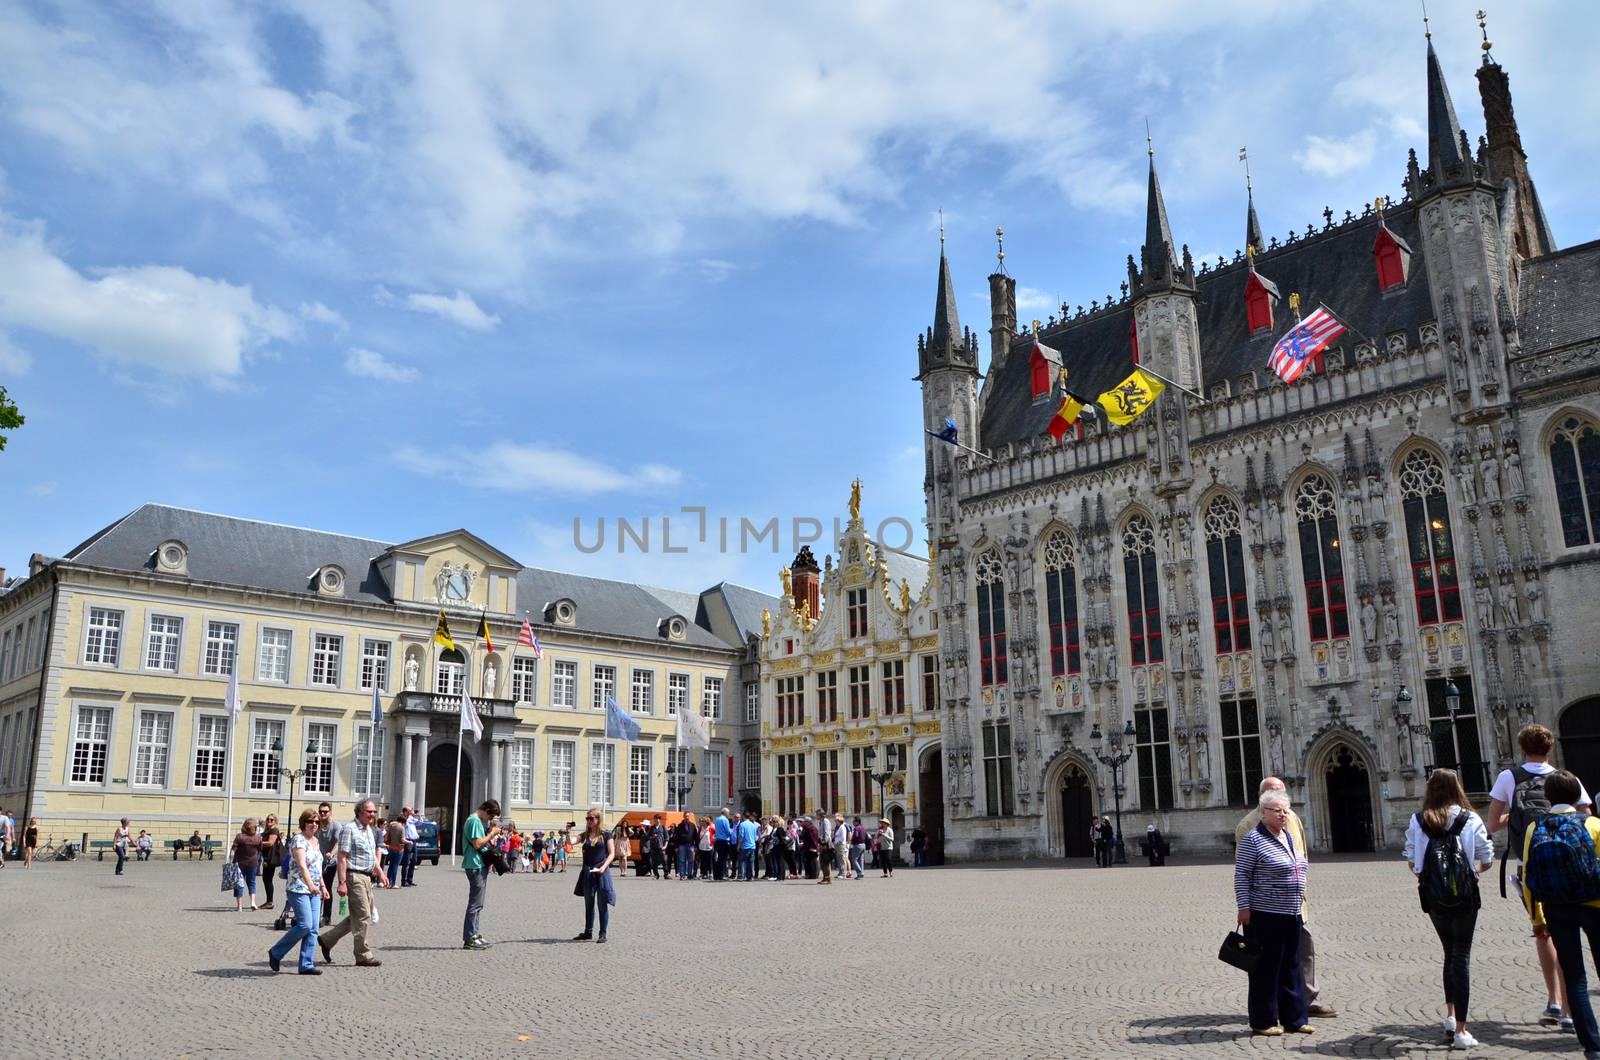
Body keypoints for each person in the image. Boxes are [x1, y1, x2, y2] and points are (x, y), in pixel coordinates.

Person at [1487, 723, 1592, 1029]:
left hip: (1532, 865)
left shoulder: (1510, 777)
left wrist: (1516, 816)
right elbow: (1586, 815)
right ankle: (1575, 1008)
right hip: (1573, 866)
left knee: (1544, 932)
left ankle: (1555, 1001)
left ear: (1522, 747)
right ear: (1550, 748)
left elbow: (1493, 824)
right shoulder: (1565, 778)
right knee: (1575, 932)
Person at [1404, 768, 1492, 1051]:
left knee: (1448, 952)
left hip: (1434, 897)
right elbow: (1487, 858)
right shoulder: (1471, 818)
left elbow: (1413, 863)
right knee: (1461, 955)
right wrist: (1473, 871)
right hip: (1465, 896)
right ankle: (1462, 1032)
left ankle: (1451, 1017)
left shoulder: (1418, 820)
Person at [1235, 777, 1336, 1019]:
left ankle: (1305, 1000)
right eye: (1274, 798)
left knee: (1302, 951)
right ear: (1262, 801)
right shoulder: (1247, 827)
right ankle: (1272, 1009)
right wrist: (1245, 906)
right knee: (1269, 960)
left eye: (1283, 798)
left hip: (1295, 904)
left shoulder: (1293, 820)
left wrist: (1300, 886)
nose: (1282, 808)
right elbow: (1243, 871)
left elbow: (1301, 854)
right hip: (1266, 908)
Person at [1520, 769, 1600, 1059]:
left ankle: (1592, 1046)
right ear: (1578, 795)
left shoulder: (1535, 827)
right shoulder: (1593, 824)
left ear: (1547, 797)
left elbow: (1529, 876)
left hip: (1557, 908)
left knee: (1575, 977)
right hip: (1594, 905)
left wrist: (1537, 919)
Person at [1234, 788, 1310, 1037]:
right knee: (1266, 969)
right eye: (1277, 811)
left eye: (1285, 811)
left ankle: (1295, 1020)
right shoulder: (1253, 840)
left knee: (1292, 966)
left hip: (1291, 912)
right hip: (1263, 914)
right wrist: (1243, 907)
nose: (1283, 815)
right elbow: (1242, 875)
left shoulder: (1287, 837)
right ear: (1263, 813)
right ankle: (1263, 1021)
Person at [319, 798, 388, 968]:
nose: (372, 814)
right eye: (368, 811)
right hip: (354, 876)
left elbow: (372, 855)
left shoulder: (368, 830)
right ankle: (363, 955)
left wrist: (380, 873)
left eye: (373, 811)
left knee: (358, 915)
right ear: (359, 812)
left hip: (367, 877)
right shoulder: (349, 829)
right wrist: (342, 882)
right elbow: (342, 857)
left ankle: (327, 940)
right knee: (364, 915)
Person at [267, 809, 329, 975]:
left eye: (316, 822)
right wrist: (310, 885)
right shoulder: (298, 840)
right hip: (298, 888)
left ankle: (306, 964)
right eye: (310, 821)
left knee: (314, 927)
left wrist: (322, 886)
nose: (314, 824)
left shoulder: (316, 841)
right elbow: (302, 865)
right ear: (303, 823)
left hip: (314, 889)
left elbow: (316, 867)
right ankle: (276, 952)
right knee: (305, 924)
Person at [462, 799, 503, 951]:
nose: (490, 820)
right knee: (474, 903)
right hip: (474, 865)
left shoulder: (478, 821)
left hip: (479, 864)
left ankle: (475, 933)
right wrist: (492, 834)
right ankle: (469, 937)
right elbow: (477, 844)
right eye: (491, 816)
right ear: (486, 811)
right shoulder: (473, 821)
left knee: (479, 903)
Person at [572, 807, 616, 943]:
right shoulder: (585, 834)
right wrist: (567, 832)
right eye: (587, 818)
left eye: (591, 818)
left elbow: (612, 853)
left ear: (598, 819)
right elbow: (571, 842)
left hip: (601, 871)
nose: (589, 821)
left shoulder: (606, 834)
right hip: (588, 872)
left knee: (602, 904)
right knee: (588, 903)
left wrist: (604, 866)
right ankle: (588, 932)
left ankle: (602, 933)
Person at [314, 803, 339, 927]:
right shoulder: (316, 825)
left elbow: (338, 843)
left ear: (330, 812)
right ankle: (314, 914)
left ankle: (326, 916)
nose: (323, 814)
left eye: (325, 811)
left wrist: (332, 853)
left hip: (331, 863)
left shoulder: (335, 826)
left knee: (326, 888)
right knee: (315, 887)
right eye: (321, 811)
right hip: (317, 862)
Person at [231, 818, 263, 911]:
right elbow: (260, 849)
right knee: (252, 882)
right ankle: (253, 902)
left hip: (240, 862)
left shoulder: (239, 837)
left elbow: (234, 848)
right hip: (253, 862)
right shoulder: (258, 838)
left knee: (239, 883)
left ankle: (239, 906)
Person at [259, 815, 282, 909]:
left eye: (271, 819)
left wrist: (257, 842)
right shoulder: (267, 830)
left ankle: (270, 902)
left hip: (271, 858)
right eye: (268, 819)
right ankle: (268, 901)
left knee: (268, 879)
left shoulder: (274, 830)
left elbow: (270, 843)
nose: (269, 821)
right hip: (266, 857)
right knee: (266, 879)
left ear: (275, 821)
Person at [383, 813, 406, 888]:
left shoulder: (391, 825)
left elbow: (387, 835)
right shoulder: (401, 828)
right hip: (399, 848)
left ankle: (388, 882)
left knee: (391, 865)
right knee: (395, 866)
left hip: (391, 847)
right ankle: (393, 883)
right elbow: (402, 839)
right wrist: (409, 842)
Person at [401, 807, 422, 886]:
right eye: (410, 810)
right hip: (408, 841)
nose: (412, 811)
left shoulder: (412, 818)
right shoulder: (403, 819)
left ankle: (410, 879)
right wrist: (409, 815)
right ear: (406, 811)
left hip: (414, 841)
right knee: (406, 861)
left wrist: (418, 816)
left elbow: (420, 823)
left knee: (414, 860)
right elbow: (405, 824)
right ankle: (404, 880)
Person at [736, 811, 760, 882]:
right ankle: (750, 876)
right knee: (751, 862)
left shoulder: (742, 824)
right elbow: (755, 836)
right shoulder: (753, 825)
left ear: (743, 817)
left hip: (744, 846)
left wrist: (738, 845)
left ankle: (741, 876)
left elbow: (741, 836)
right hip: (752, 846)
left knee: (741, 861)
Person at [713, 806, 734, 881]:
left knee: (719, 859)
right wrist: (732, 831)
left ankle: (718, 875)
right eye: (728, 813)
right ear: (725, 813)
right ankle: (722, 875)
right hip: (724, 841)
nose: (729, 814)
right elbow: (728, 832)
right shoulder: (725, 820)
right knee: (723, 859)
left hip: (718, 841)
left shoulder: (717, 819)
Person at [815, 811, 834, 884]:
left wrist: (824, 843)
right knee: (822, 861)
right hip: (822, 843)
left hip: (826, 843)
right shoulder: (821, 822)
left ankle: (828, 878)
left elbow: (827, 833)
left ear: (820, 815)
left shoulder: (825, 821)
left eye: (817, 815)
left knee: (826, 861)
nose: (816, 816)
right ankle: (824, 877)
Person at [832, 813, 850, 879]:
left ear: (839, 821)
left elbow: (842, 837)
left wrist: (837, 842)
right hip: (837, 845)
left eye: (836, 821)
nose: (835, 822)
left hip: (840, 845)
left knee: (842, 859)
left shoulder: (842, 827)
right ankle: (840, 872)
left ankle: (843, 873)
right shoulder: (839, 827)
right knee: (839, 859)